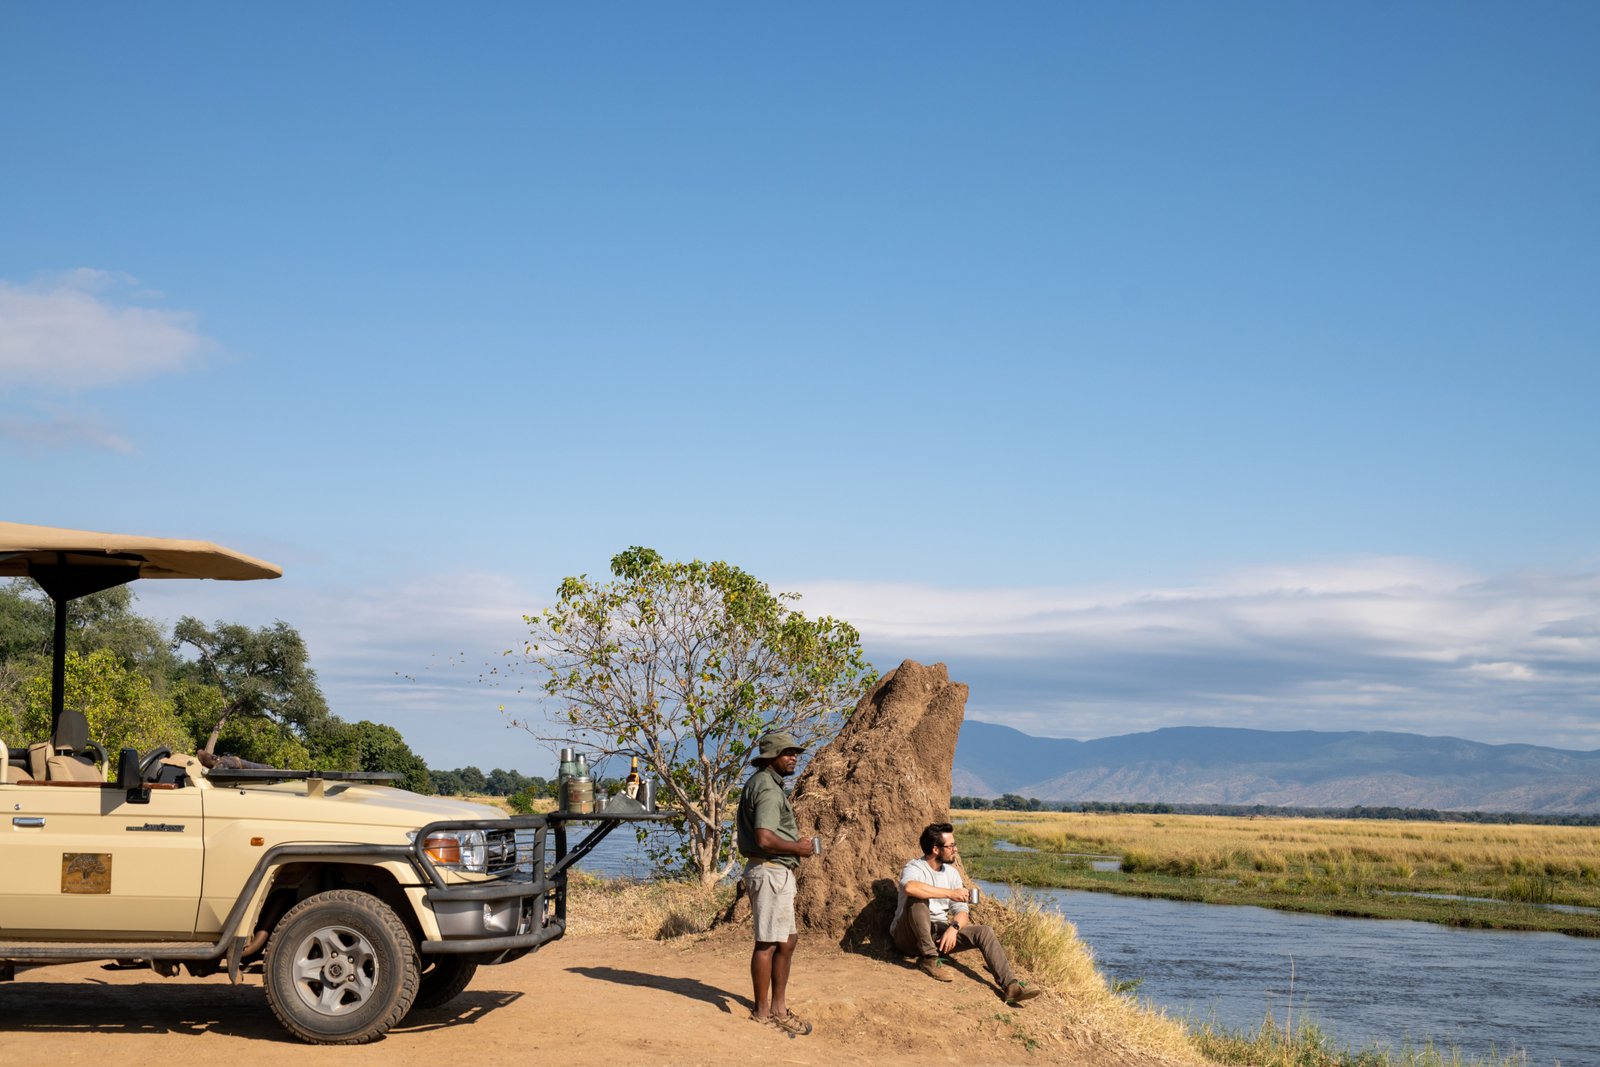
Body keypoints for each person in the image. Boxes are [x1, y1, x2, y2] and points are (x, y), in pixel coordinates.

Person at [891, 823, 1040, 1005]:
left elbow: (962, 912)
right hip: (908, 935)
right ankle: (930, 960)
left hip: (937, 933)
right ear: (935, 849)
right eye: (951, 846)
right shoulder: (915, 868)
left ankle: (1011, 986)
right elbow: (910, 887)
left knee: (983, 931)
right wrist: (950, 893)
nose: (956, 849)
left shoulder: (952, 874)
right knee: (917, 898)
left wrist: (954, 928)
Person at [736, 730, 817, 1036]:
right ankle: (763, 1012)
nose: (793, 757)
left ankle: (778, 1007)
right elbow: (764, 838)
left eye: (795, 752)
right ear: (772, 757)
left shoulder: (764, 783)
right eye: (787, 753)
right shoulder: (768, 790)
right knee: (768, 943)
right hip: (769, 871)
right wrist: (798, 848)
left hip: (773, 872)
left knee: (786, 940)